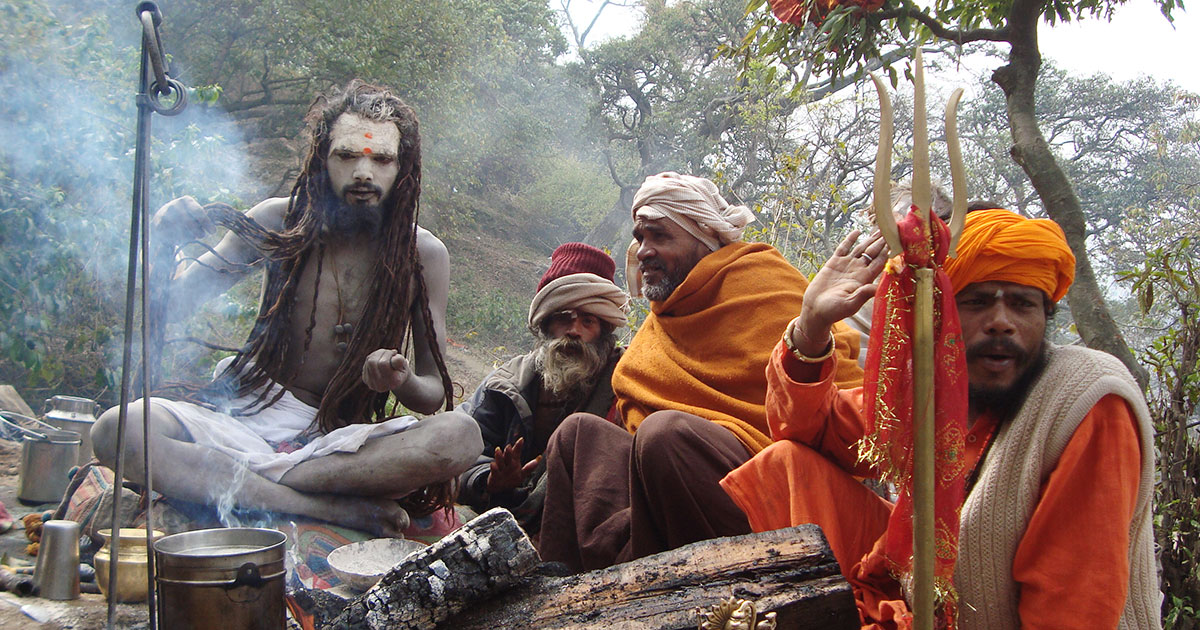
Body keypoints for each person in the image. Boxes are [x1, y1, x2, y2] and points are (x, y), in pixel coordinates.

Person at [722, 209, 1159, 629]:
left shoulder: (1088, 400)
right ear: (942, 311)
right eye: (978, 302)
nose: (1001, 323)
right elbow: (808, 430)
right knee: (785, 463)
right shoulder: (937, 383)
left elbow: (1073, 604)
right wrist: (812, 326)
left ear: (1046, 318)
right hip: (919, 603)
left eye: (1023, 305)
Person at [92, 81, 483, 537]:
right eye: (347, 155)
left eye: (381, 159)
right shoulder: (279, 221)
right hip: (245, 413)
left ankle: (242, 485)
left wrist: (400, 379)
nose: (363, 172)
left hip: (337, 444)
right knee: (117, 429)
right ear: (323, 159)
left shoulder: (423, 255)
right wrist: (164, 244)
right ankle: (323, 509)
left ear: (403, 169)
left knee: (462, 437)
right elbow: (173, 307)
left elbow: (432, 393)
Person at [536, 172, 864, 572]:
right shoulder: (664, 320)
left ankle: (699, 590)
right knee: (576, 435)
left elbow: (839, 411)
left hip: (774, 499)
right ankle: (566, 597)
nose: (643, 251)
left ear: (703, 238)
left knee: (665, 435)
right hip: (671, 492)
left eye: (659, 236)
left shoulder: (761, 281)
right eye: (640, 238)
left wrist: (811, 334)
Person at [456, 242, 629, 534]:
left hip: (586, 529)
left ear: (604, 331)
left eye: (588, 321)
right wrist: (489, 480)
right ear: (545, 323)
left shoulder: (626, 384)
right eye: (564, 318)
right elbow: (459, 451)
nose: (574, 331)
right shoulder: (507, 384)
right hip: (499, 519)